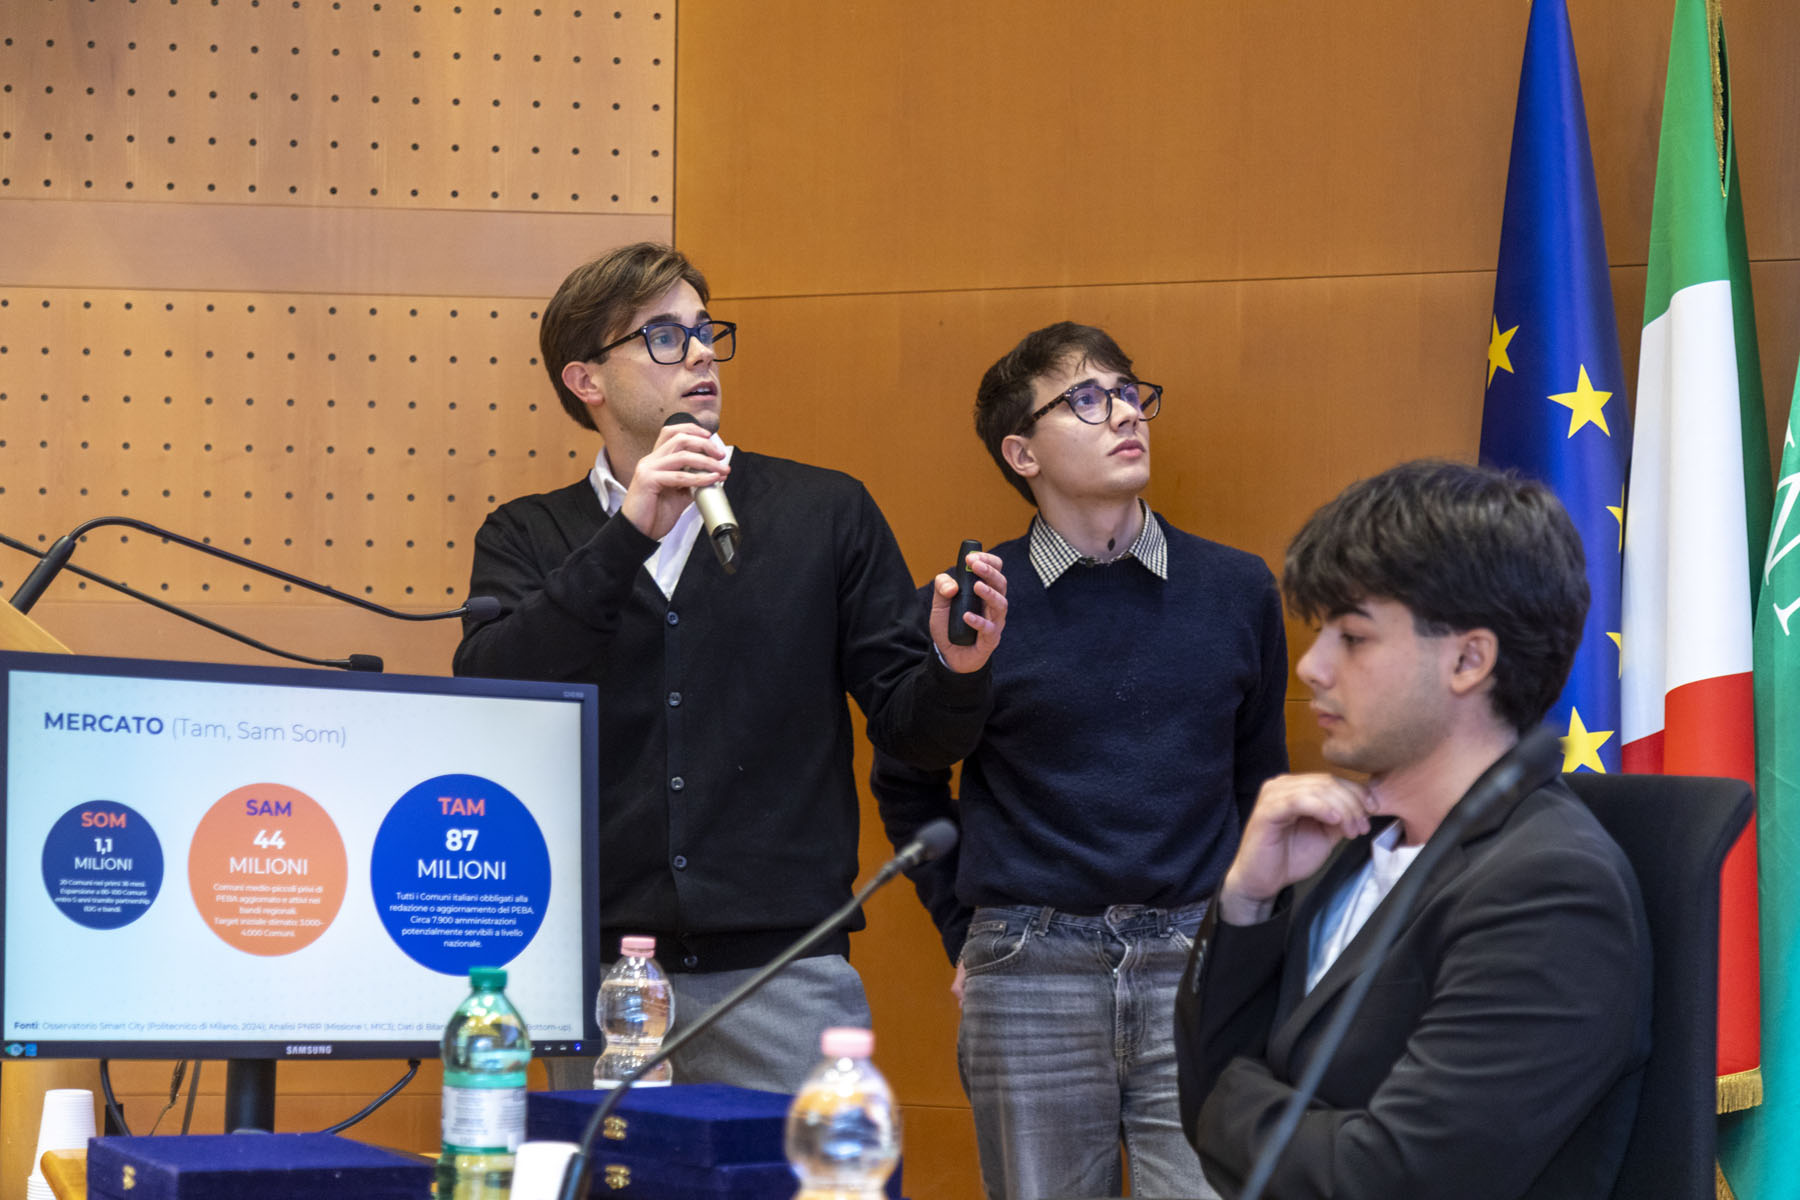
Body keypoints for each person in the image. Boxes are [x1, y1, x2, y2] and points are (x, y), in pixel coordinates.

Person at [452, 242, 1009, 1093]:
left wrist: (956, 669)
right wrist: (627, 537)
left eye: (706, 331)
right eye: (663, 336)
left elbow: (915, 734)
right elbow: (492, 694)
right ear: (585, 380)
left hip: (786, 973)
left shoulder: (824, 512)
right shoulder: (527, 534)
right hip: (603, 979)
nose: (701, 354)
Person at [872, 322, 1289, 1200]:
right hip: (1030, 965)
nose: (1125, 414)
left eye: (1130, 393)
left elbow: (1261, 782)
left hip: (1198, 957)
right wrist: (963, 930)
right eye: (1086, 400)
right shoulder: (974, 602)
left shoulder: (1237, 589)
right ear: (1021, 452)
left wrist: (1257, 947)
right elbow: (908, 779)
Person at [1175, 460, 1651, 1200]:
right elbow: (1202, 1090)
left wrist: (1226, 1106)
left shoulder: (1551, 887)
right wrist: (1247, 900)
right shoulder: (1346, 842)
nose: (1311, 667)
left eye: (1352, 637)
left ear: (1468, 659)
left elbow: (1393, 1181)